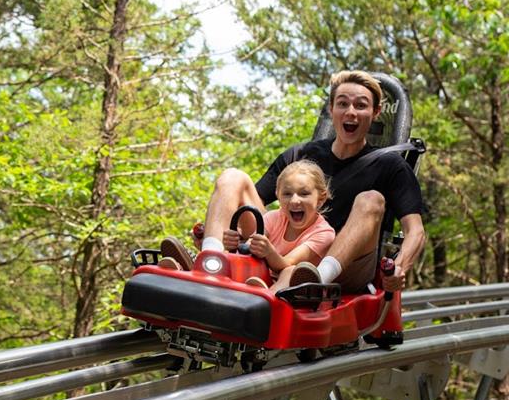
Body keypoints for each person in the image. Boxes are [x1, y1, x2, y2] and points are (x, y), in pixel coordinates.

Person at [163, 70, 425, 293]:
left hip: (346, 267)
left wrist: (399, 269)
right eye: (343, 104)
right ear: (332, 109)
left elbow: (415, 232)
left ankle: (314, 281)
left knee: (371, 199)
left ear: (376, 112)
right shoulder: (300, 156)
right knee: (232, 178)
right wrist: (226, 234)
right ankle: (209, 260)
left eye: (361, 105)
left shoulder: (390, 164)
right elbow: (250, 211)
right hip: (287, 252)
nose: (351, 112)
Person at [243, 160, 335, 291]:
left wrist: (268, 251)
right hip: (263, 277)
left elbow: (286, 263)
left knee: (290, 270)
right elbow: (250, 246)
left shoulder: (324, 233)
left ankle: (268, 298)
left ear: (321, 198)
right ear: (278, 196)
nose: (294, 200)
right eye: (287, 194)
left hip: (295, 288)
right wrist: (237, 246)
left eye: (304, 194)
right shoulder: (272, 217)